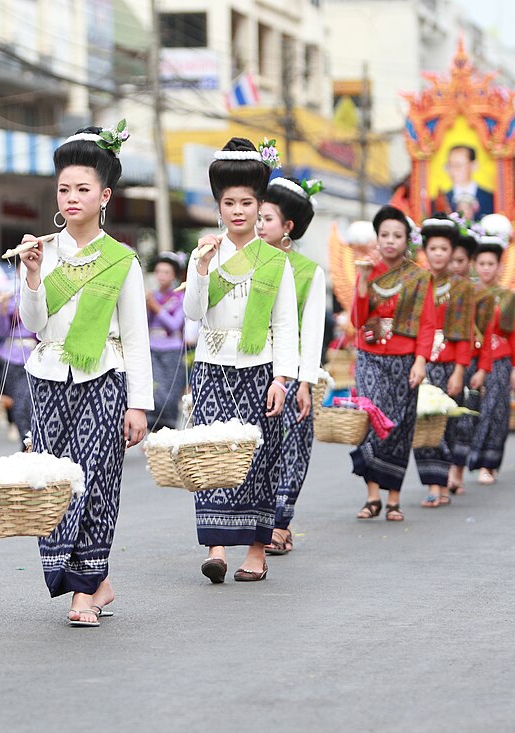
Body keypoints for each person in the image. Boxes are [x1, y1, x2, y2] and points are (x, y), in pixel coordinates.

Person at [17, 121, 152, 626]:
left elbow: (135, 338)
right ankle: (95, 582)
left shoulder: (123, 261)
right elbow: (32, 324)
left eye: (83, 189)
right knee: (53, 482)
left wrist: (137, 403)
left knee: (93, 481)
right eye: (64, 189)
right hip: (47, 378)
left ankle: (83, 589)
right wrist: (32, 277)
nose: (72, 197)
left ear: (105, 195)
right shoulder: (40, 252)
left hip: (104, 379)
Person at [183, 137, 297, 581]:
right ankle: (215, 547)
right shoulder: (205, 254)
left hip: (260, 369)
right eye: (229, 202)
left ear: (259, 205)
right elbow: (193, 312)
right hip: (211, 367)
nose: (238, 211)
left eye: (247, 202)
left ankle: (255, 550)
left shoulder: (275, 260)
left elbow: (286, 324)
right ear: (218, 204)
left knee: (257, 458)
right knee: (211, 455)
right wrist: (201, 269)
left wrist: (283, 379)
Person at [255, 175, 326, 552]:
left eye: (267, 218)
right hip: (253, 370)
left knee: (291, 448)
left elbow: (312, 332)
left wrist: (305, 382)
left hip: (293, 374)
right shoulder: (245, 262)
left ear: (288, 227)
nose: (259, 224)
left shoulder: (308, 272)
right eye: (258, 217)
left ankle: (281, 524)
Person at [349, 206, 434, 521]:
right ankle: (372, 497)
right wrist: (360, 282)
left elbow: (427, 324)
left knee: (399, 426)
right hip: (370, 356)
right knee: (372, 418)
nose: (390, 241)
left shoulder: (419, 277)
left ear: (407, 240)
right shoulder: (368, 271)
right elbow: (357, 320)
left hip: (404, 358)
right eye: (384, 235)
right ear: (377, 238)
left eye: (397, 235)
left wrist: (421, 361)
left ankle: (394, 497)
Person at [412, 215, 474, 507]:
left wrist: (460, 371)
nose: (438, 254)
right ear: (425, 250)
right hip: (420, 363)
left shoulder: (462, 288)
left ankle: (444, 483)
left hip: (449, 364)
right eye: (433, 248)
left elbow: (463, 334)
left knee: (446, 425)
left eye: (444, 249)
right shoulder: (415, 281)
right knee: (423, 422)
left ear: (452, 253)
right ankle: (432, 484)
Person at [466, 232, 515, 485]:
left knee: (496, 412)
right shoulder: (468, 295)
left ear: (500, 267)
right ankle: (469, 460)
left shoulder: (508, 298)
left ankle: (489, 463)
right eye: (482, 264)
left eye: (491, 264)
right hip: (473, 359)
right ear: (474, 266)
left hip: (501, 359)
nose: (486, 269)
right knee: (473, 411)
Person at [447, 224, 479, 494]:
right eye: (452, 260)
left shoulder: (475, 293)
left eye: (460, 261)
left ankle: (458, 469)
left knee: (464, 419)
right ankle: (446, 470)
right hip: (446, 358)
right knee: (444, 418)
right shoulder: (442, 289)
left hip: (470, 362)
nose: (455, 266)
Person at [145, 253, 186, 430]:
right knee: (154, 390)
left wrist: (155, 306)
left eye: (166, 272)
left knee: (170, 392)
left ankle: (169, 431)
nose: (161, 275)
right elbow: (143, 323)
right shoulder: (149, 296)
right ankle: (152, 432)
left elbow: (175, 324)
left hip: (172, 349)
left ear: (174, 275)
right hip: (152, 348)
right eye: (159, 271)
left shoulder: (180, 297)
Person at [0, 287, 36, 442]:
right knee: (14, 400)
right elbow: (1, 332)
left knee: (26, 401)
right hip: (10, 355)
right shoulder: (8, 295)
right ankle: (25, 438)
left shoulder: (40, 291)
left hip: (31, 355)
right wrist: (3, 311)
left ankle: (28, 438)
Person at [441, 145, 494, 218]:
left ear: (474, 165)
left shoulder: (490, 199)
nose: (453, 170)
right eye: (450, 165)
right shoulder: (441, 200)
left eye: (458, 165)